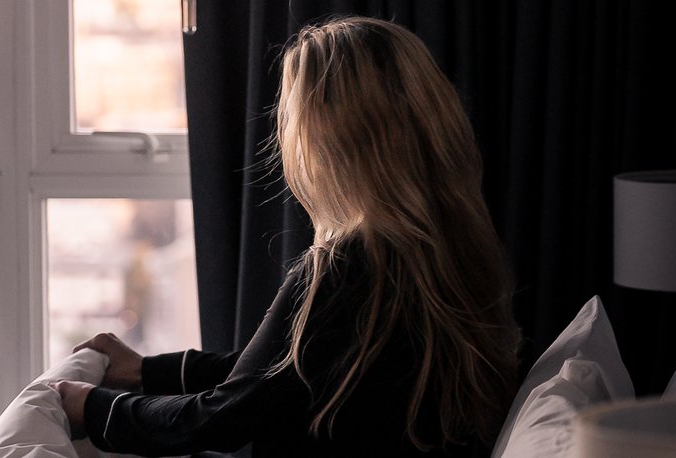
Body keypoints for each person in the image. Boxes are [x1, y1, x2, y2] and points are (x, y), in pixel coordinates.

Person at [52, 16, 521, 457]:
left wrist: (91, 407)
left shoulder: (350, 265)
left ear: (332, 142)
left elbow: (221, 417)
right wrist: (146, 370)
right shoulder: (442, 250)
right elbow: (282, 370)